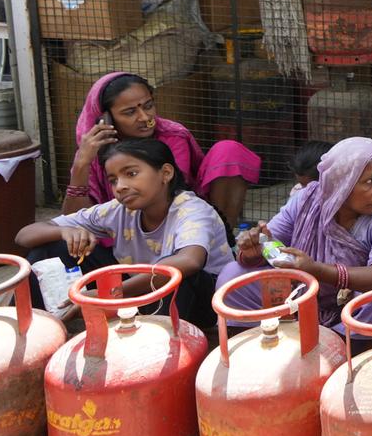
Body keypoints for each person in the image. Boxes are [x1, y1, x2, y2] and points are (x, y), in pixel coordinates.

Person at [218, 137, 372, 353]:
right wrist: (255, 251)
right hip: (302, 299)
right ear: (342, 181)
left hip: (353, 309)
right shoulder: (306, 200)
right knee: (234, 275)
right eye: (370, 181)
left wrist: (317, 270)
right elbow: (273, 244)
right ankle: (250, 354)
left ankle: (344, 356)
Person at [18, 138, 233, 333]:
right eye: (113, 180)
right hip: (135, 293)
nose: (120, 187)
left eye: (131, 174)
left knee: (176, 275)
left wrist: (112, 293)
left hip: (203, 305)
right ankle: (37, 328)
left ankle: (160, 347)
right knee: (52, 247)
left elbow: (190, 260)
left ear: (166, 173)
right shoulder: (119, 210)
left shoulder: (192, 210)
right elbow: (24, 235)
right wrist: (64, 231)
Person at [68, 72, 260, 231]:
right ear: (106, 119)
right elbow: (71, 221)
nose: (145, 117)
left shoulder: (172, 135)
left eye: (149, 106)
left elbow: (168, 196)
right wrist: (81, 165)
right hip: (116, 233)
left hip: (182, 224)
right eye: (130, 112)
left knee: (228, 151)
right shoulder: (92, 151)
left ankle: (222, 236)